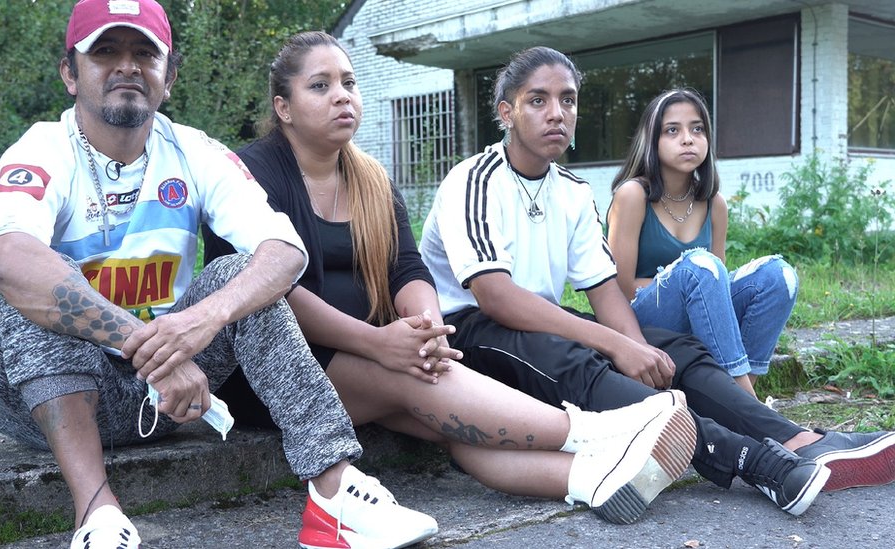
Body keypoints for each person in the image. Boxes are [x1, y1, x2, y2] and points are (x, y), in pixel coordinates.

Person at [0, 2, 439, 548]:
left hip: (163, 395)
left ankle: (336, 493)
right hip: (41, 400)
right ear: (70, 73)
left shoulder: (195, 151)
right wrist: (151, 347)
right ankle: (97, 517)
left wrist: (200, 321)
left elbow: (283, 250)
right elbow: (4, 256)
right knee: (41, 283)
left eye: (145, 53)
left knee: (243, 274)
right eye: (105, 53)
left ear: (168, 77)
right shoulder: (40, 150)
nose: (127, 66)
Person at [203, 31, 697, 528]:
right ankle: (596, 434)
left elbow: (407, 267)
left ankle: (591, 478)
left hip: (372, 351)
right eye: (320, 86)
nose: (341, 95)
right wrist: (379, 344)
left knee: (450, 426)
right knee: (419, 376)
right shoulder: (249, 175)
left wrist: (426, 327)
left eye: (349, 83)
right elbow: (270, 292)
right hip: (279, 373)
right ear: (283, 108)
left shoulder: (372, 178)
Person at [420, 46, 895, 516]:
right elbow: (496, 297)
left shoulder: (571, 190)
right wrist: (616, 347)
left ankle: (796, 438)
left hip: (541, 322)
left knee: (674, 349)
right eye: (538, 100)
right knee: (582, 362)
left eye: (567, 99)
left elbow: (606, 292)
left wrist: (637, 348)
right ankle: (754, 461)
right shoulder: (474, 179)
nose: (557, 113)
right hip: (470, 330)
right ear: (507, 111)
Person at [606, 88, 797, 399]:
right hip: (642, 320)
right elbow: (618, 289)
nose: (688, 139)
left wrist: (697, 283)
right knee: (701, 267)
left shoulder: (714, 203)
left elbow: (716, 283)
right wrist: (685, 281)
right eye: (672, 130)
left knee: (779, 276)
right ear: (652, 141)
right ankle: (750, 407)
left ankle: (737, 397)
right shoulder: (632, 195)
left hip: (698, 308)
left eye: (697, 129)